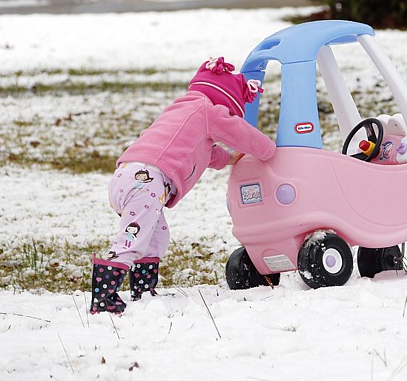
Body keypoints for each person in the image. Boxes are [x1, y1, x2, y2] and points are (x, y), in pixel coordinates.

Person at [90, 57, 276, 314]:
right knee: (132, 239)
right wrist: (268, 150)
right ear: (225, 103)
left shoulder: (182, 111)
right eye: (231, 112)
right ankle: (103, 298)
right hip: (146, 180)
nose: (229, 117)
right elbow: (241, 134)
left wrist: (231, 158)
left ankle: (143, 291)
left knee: (155, 236)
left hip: (128, 175)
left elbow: (204, 154)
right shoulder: (208, 110)